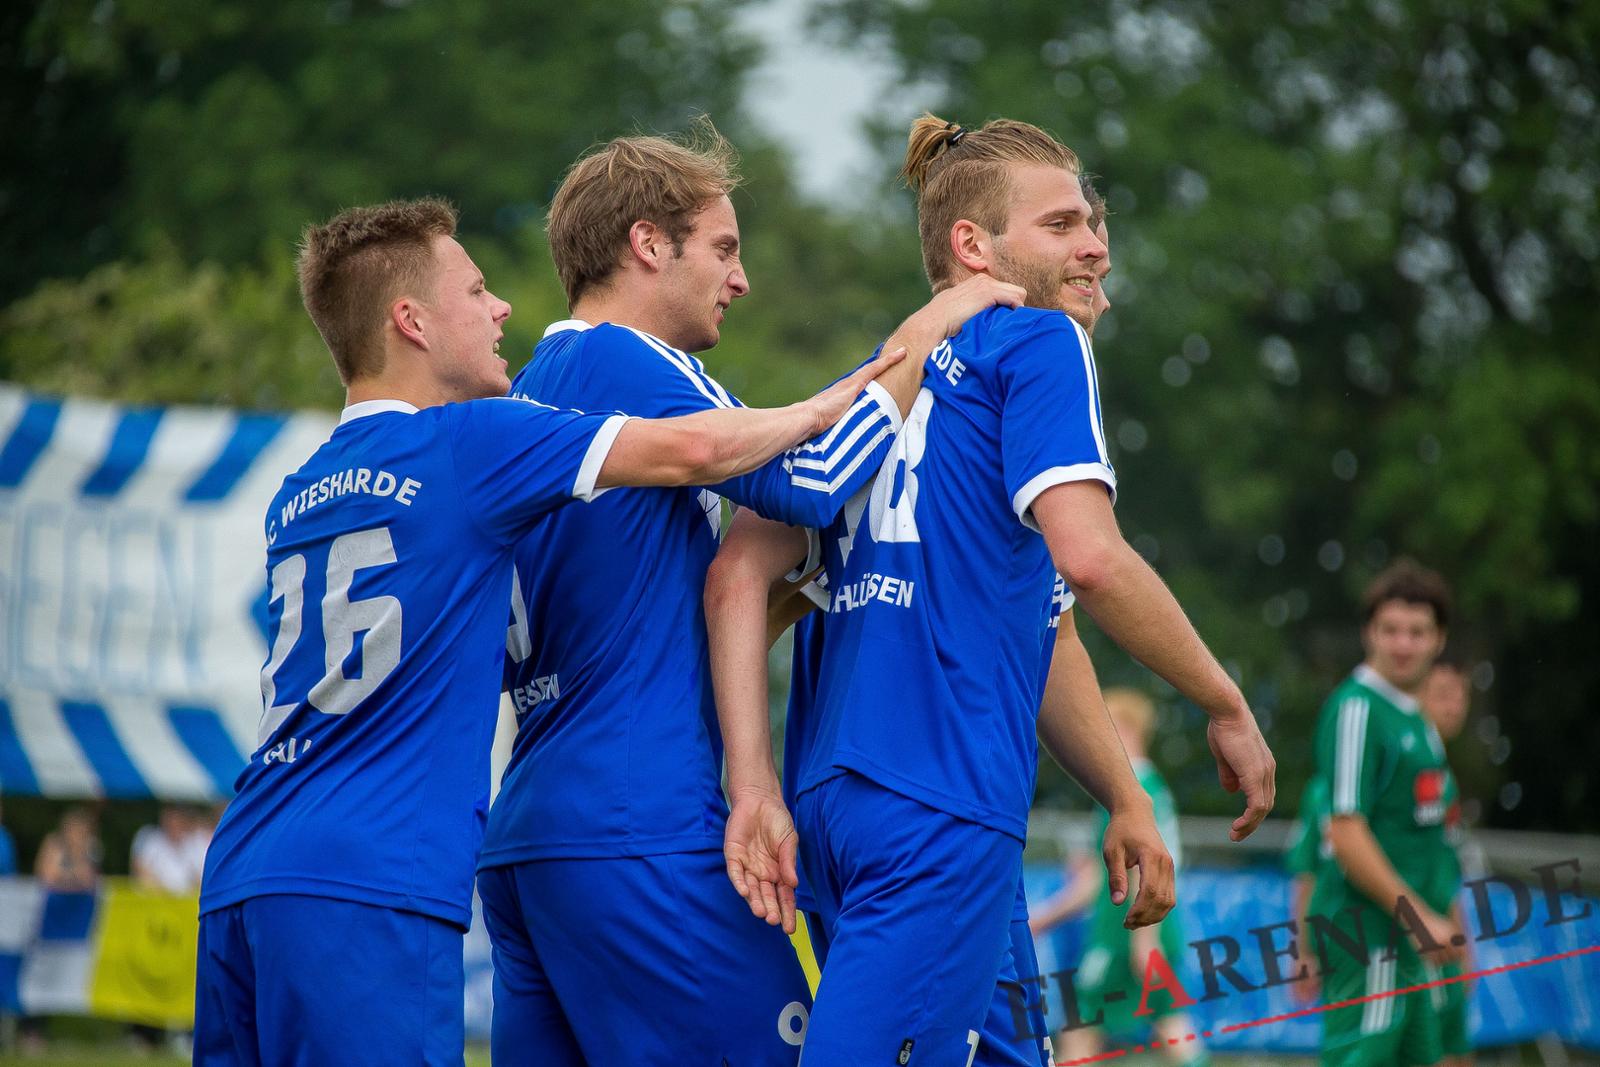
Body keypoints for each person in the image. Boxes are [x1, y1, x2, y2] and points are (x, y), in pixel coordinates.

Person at [193, 196, 900, 1067]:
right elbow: (712, 453)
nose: (502, 309)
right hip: (381, 869)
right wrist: (884, 370)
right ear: (411, 320)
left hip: (246, 860)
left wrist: (758, 600)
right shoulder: (473, 439)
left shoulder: (297, 494)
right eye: (476, 290)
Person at [710, 114, 1273, 1063]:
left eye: (1093, 223)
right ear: (975, 247)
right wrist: (1225, 701)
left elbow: (1046, 625)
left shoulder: (872, 385)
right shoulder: (1042, 343)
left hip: (843, 802)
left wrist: (1125, 795)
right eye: (1061, 224)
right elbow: (1091, 559)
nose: (1095, 245)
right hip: (941, 804)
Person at [476, 119, 1021, 1067]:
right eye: (724, 249)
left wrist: (798, 586)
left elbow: (636, 624)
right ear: (649, 244)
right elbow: (815, 476)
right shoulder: (628, 358)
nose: (741, 279)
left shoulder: (532, 388)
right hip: (637, 822)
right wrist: (929, 329)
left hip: (529, 838)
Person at [1311, 559, 1462, 1067]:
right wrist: (1418, 917)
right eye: (1390, 630)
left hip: (1409, 937)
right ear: (1368, 633)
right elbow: (1346, 832)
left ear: (1439, 639)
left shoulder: (1418, 718)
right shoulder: (1357, 709)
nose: (1403, 644)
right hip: (1368, 935)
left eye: (1417, 632)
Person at [1029, 689, 1210, 1066]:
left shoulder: (1134, 791)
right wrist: (1045, 918)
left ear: (1125, 731)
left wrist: (1145, 940)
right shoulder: (1144, 788)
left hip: (1127, 933)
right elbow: (1102, 876)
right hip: (1142, 928)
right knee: (1170, 1022)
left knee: (1083, 1025)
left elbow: (1145, 864)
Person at [1420, 662, 1473, 1067]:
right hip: (1410, 935)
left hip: (1442, 935)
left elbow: (1445, 868)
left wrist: (1462, 936)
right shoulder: (1408, 764)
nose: (1453, 706)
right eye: (1442, 694)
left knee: (1455, 1051)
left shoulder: (1442, 774)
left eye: (1460, 695)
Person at [1285, 774, 1332, 1005]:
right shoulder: (1321, 790)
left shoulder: (1323, 789)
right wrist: (1302, 951)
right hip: (1346, 935)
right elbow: (1305, 877)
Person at [131, 805, 205, 894]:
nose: (174, 823)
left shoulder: (194, 843)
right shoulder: (150, 838)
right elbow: (141, 870)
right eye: (171, 818)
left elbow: (200, 877)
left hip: (186, 898)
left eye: (178, 818)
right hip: (155, 896)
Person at [35, 806, 100, 892]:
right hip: (55, 895)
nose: (76, 836)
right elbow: (47, 876)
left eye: (80, 831)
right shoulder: (53, 843)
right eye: (74, 830)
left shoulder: (92, 845)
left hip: (82, 896)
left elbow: (88, 879)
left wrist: (77, 852)